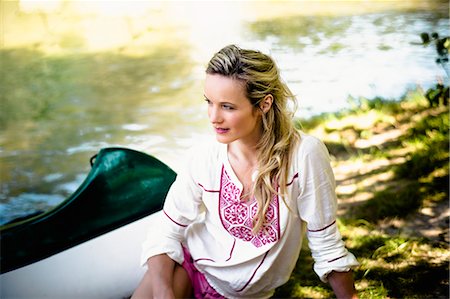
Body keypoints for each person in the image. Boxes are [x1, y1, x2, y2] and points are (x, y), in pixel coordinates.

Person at [132, 44, 359, 299]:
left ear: (263, 104)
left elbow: (326, 243)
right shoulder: (203, 158)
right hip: (188, 267)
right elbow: (165, 230)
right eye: (209, 102)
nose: (213, 117)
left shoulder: (304, 155)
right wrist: (164, 294)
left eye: (227, 106)